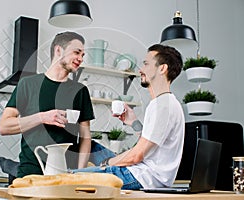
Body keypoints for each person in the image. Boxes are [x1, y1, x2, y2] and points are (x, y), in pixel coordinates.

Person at [71, 44, 185, 190]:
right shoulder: (163, 102)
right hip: (143, 170)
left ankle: (81, 174)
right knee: (92, 146)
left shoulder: (163, 106)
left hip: (142, 176)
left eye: (146, 64)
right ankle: (86, 172)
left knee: (69, 178)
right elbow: (152, 144)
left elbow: (136, 156)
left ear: (162, 68)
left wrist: (106, 164)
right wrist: (133, 122)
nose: (140, 70)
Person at [0, 31, 95, 178]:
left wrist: (80, 172)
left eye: (83, 55)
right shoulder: (28, 84)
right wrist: (43, 117)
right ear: (58, 50)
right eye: (77, 52)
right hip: (31, 173)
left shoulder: (80, 91)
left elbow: (85, 138)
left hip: (66, 174)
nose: (80, 58)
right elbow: (4, 126)